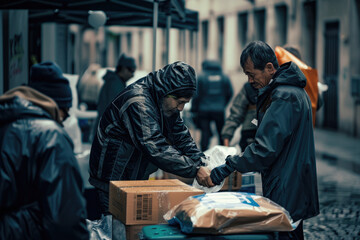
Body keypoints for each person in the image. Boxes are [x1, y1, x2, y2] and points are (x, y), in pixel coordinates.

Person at [210, 41, 319, 239]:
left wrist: (227, 167)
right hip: (290, 182)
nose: (250, 81)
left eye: (252, 74)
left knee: (286, 234)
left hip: (288, 186)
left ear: (269, 68)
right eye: (247, 75)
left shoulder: (284, 95)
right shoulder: (289, 91)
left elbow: (264, 149)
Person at [89, 61, 213, 215]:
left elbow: (180, 135)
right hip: (113, 181)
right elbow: (155, 147)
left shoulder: (165, 101)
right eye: (180, 102)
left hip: (133, 176)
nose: (181, 108)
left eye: (185, 103)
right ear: (165, 91)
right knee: (116, 229)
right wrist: (195, 169)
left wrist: (201, 161)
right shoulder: (138, 102)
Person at [0, 61, 89, 239]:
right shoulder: (50, 135)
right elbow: (65, 217)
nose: (64, 119)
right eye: (66, 111)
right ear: (56, 106)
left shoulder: (6, 122)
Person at [92, 53, 137, 142]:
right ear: (123, 69)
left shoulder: (115, 82)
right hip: (107, 132)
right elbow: (116, 111)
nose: (132, 75)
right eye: (131, 70)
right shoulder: (115, 84)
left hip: (105, 130)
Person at [190, 60, 233, 151]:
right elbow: (230, 92)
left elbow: (196, 95)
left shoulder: (201, 76)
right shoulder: (224, 76)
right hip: (219, 110)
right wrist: (223, 104)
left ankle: (204, 153)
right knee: (221, 132)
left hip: (204, 110)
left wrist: (194, 109)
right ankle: (223, 153)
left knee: (205, 132)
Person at [221, 82, 257, 152]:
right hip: (250, 133)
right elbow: (236, 114)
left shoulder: (276, 88)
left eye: (252, 75)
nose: (251, 80)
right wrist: (226, 135)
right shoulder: (249, 88)